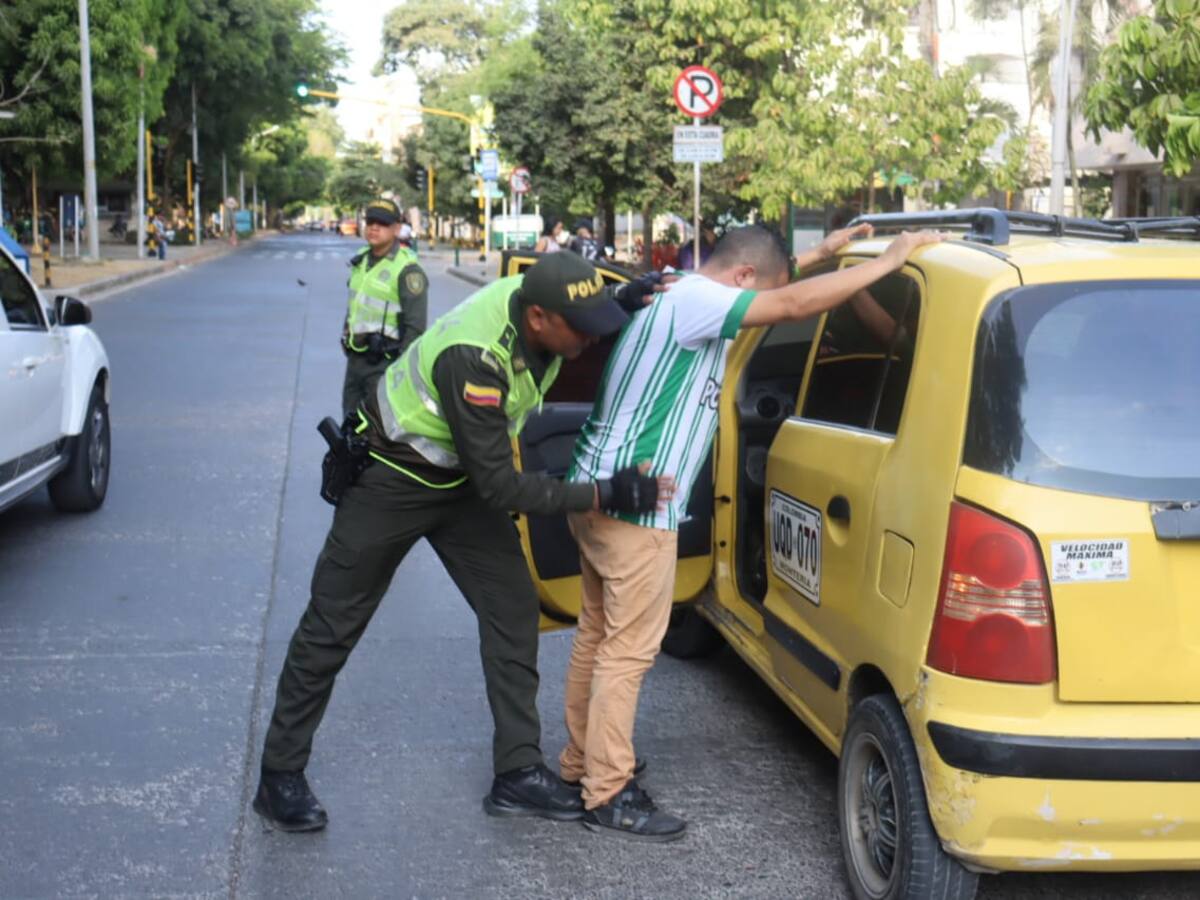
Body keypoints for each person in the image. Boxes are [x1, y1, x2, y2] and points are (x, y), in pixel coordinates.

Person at [253, 252, 674, 833]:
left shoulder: (541, 311)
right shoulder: (475, 360)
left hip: (459, 479)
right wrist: (603, 493)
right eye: (582, 326)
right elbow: (501, 485)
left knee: (512, 607)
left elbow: (490, 463)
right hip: (393, 477)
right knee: (332, 624)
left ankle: (517, 775)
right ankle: (279, 776)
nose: (588, 337)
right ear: (538, 320)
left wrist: (615, 307)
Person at [559, 223, 944, 841]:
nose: (760, 303)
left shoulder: (681, 288)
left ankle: (581, 764)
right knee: (626, 654)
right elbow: (789, 303)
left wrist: (822, 253)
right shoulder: (700, 303)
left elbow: (773, 283)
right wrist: (890, 261)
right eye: (756, 288)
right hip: (635, 510)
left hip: (594, 490)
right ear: (741, 280)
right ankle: (608, 791)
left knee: (599, 641)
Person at [340, 198, 428, 419]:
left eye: (382, 223)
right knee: (349, 428)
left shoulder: (407, 271)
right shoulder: (361, 261)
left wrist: (400, 373)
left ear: (397, 228)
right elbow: (356, 306)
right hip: (356, 361)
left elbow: (415, 328)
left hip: (384, 367)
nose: (374, 227)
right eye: (370, 222)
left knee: (377, 433)